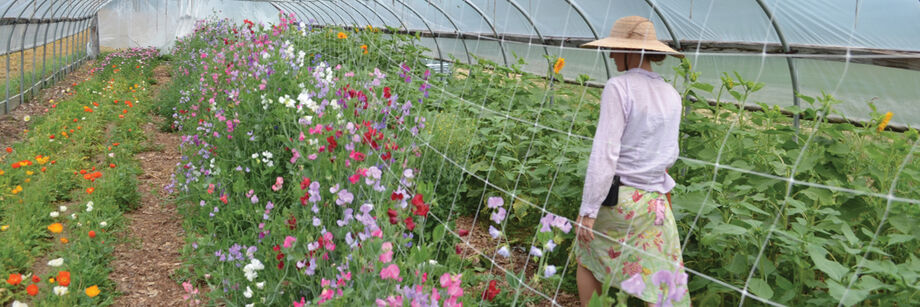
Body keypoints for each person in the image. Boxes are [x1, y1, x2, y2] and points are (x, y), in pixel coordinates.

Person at [574, 16, 689, 306]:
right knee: (660, 276)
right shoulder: (672, 94)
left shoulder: (619, 87)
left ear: (631, 51)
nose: (611, 54)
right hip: (655, 203)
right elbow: (668, 154)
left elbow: (605, 154)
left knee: (587, 257)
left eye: (616, 48)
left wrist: (588, 210)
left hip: (618, 201)